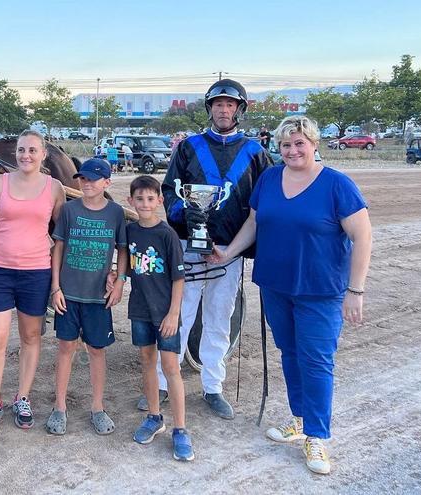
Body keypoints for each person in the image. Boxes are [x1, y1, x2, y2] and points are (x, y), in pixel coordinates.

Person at [209, 115, 372, 475]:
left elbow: (363, 236)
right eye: (286, 144)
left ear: (314, 144)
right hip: (275, 285)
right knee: (291, 354)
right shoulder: (269, 178)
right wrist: (229, 252)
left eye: (300, 143)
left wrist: (355, 290)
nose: (293, 150)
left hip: (320, 290)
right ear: (278, 148)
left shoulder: (336, 185)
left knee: (316, 361)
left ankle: (317, 435)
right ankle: (300, 420)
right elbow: (253, 223)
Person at [158, 79, 273, 419]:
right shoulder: (188, 147)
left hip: (230, 250)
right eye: (218, 104)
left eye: (230, 105)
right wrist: (184, 214)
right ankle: (165, 384)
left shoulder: (256, 153)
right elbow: (168, 192)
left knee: (220, 318)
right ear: (210, 108)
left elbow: (265, 202)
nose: (224, 110)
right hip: (188, 246)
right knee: (180, 315)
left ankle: (212, 386)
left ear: (239, 109)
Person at [0, 130, 66, 432]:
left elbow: (60, 236)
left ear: (43, 155)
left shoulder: (55, 188)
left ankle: (22, 397)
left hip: (36, 272)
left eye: (33, 150)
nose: (26, 155)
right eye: (22, 150)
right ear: (16, 153)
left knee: (30, 337)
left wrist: (58, 279)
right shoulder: (0, 183)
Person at [45, 158, 127, 436]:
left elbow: (123, 249)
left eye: (93, 179)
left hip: (97, 296)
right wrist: (55, 287)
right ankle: (59, 406)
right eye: (83, 178)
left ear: (106, 182)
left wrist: (120, 281)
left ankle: (97, 406)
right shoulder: (69, 210)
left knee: (96, 350)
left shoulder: (115, 213)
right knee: (66, 348)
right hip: (68, 293)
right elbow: (58, 248)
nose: (87, 183)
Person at [122, 175, 193, 460]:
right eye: (139, 199)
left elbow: (178, 279)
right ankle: (154, 416)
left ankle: (180, 428)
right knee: (147, 362)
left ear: (160, 201)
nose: (145, 204)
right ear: (130, 201)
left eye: (150, 199)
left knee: (171, 367)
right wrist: (113, 278)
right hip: (140, 308)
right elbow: (125, 267)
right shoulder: (130, 232)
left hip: (165, 312)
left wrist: (174, 313)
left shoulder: (167, 235)